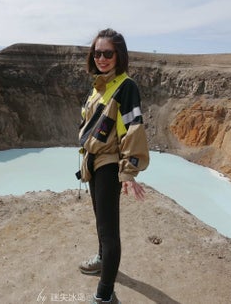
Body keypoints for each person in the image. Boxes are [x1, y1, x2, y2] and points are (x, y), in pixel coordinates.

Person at [77, 28, 150, 304]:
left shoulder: (125, 87)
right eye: (97, 53)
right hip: (94, 163)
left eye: (108, 53)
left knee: (110, 233)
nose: (102, 58)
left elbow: (134, 128)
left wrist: (129, 172)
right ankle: (101, 260)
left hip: (109, 166)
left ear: (118, 55)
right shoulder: (100, 86)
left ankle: (104, 296)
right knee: (101, 222)